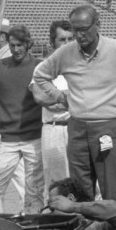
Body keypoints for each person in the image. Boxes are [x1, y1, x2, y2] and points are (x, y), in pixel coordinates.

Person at [33, 5, 116, 207]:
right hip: (77, 128)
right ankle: (87, 226)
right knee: (80, 190)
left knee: (113, 191)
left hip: (109, 126)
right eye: (75, 30)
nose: (79, 35)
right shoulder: (66, 53)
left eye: (84, 29)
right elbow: (40, 75)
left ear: (97, 25)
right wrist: (60, 97)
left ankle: (115, 227)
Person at [0, 24, 44, 214]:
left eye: (19, 45)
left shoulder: (39, 67)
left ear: (28, 44)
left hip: (34, 138)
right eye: (12, 45)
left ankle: (33, 219)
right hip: (8, 139)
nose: (15, 49)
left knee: (34, 186)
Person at [40, 20, 74, 193]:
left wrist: (58, 96)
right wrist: (71, 97)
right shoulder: (44, 69)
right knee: (56, 182)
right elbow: (43, 99)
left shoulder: (82, 66)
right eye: (62, 39)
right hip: (54, 129)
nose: (67, 43)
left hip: (77, 127)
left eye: (70, 39)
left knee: (84, 180)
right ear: (52, 42)